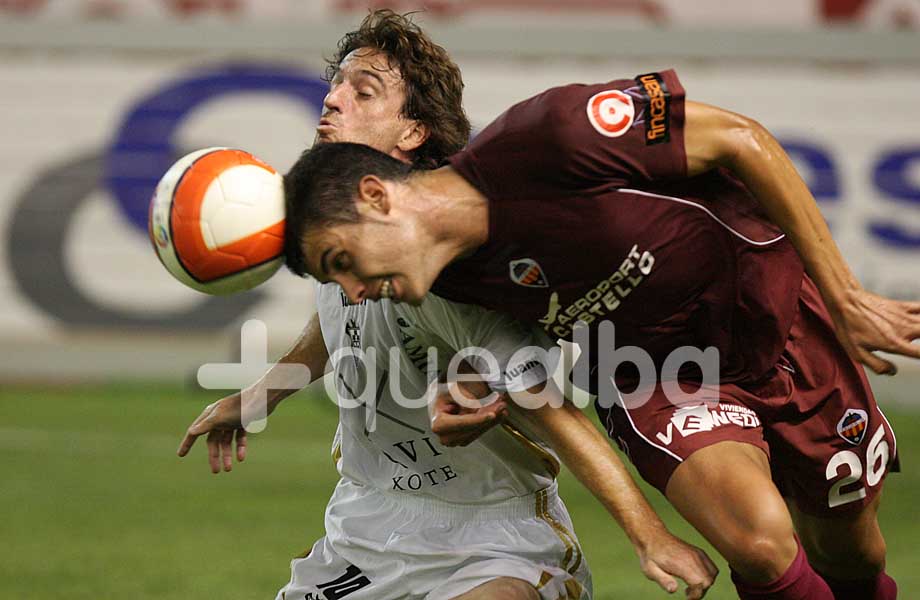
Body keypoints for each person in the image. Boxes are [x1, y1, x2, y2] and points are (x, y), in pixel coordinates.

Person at [284, 67, 920, 600]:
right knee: (758, 542)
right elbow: (526, 357)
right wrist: (481, 391)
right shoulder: (443, 282)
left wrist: (846, 294)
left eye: (343, 262)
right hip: (656, 375)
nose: (356, 291)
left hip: (784, 326)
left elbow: (743, 139)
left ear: (375, 196)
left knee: (854, 558)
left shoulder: (552, 135)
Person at [178, 11, 717, 600]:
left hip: (489, 534)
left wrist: (650, 536)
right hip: (365, 521)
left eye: (362, 92)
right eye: (335, 86)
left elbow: (553, 409)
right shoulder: (337, 225)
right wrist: (257, 397)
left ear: (412, 134)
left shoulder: (451, 269)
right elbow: (341, 324)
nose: (332, 100)